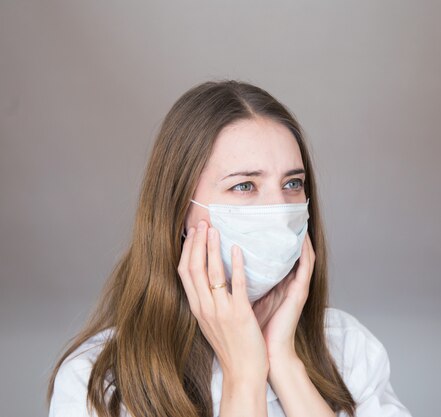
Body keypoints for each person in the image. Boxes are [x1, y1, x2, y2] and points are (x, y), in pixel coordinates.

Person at [47, 80, 412, 417]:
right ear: (179, 209)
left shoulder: (346, 346)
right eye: (244, 186)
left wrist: (284, 361)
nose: (277, 209)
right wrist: (243, 377)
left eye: (293, 183)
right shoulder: (98, 379)